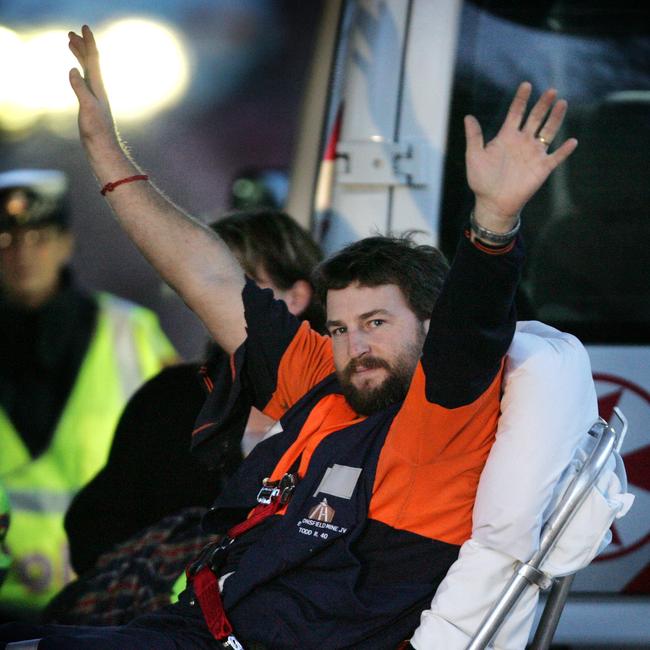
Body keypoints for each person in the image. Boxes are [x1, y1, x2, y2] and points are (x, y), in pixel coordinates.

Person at [0, 24, 577, 648]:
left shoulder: (439, 417)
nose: (355, 347)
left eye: (376, 324)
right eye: (338, 328)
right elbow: (208, 275)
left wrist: (493, 221)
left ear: (431, 328)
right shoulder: (328, 384)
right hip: (189, 626)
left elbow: (474, 322)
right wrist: (106, 152)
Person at [48, 210, 323, 625]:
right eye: (203, 283)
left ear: (297, 296)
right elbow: (93, 528)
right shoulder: (170, 399)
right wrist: (167, 560)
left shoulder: (344, 406)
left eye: (237, 282)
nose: (212, 297)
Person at [0, 168, 177, 620]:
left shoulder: (132, 333)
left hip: (106, 602)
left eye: (39, 236)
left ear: (66, 243)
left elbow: (181, 463)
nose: (22, 253)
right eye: (7, 239)